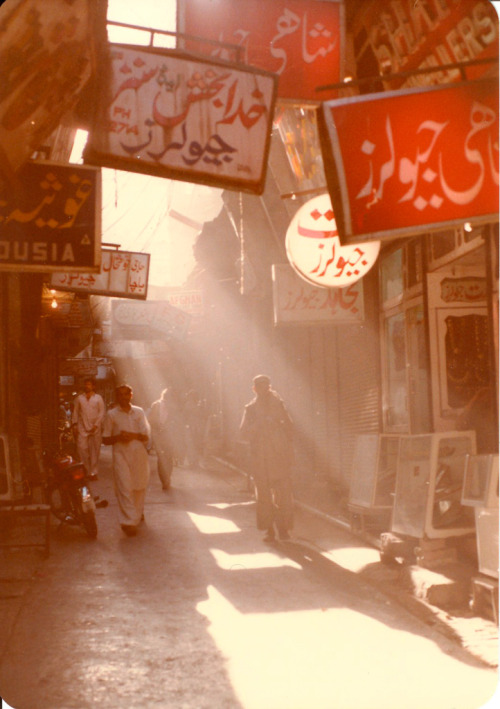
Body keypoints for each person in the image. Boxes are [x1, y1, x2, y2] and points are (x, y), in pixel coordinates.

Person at [240, 374, 294, 542]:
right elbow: (243, 432)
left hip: (279, 457)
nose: (263, 390)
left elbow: (290, 428)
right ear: (254, 389)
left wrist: (276, 424)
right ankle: (269, 530)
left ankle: (283, 529)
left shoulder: (279, 405)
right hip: (260, 459)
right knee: (264, 497)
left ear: (269, 386)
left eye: (266, 386)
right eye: (260, 386)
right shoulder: (250, 408)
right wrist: (258, 425)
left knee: (283, 496)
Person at [102, 384, 151, 536]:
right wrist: (118, 437)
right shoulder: (112, 414)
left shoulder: (139, 412)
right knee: (124, 486)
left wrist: (132, 436)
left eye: (126, 394)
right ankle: (129, 522)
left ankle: (136, 513)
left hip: (138, 454)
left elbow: (145, 436)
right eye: (120, 395)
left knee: (139, 485)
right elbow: (105, 439)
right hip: (120, 454)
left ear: (131, 396)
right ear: (117, 397)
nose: (123, 397)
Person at [148, 387, 182, 490]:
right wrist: (158, 426)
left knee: (169, 457)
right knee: (161, 458)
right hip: (158, 435)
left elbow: (177, 421)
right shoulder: (156, 405)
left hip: (170, 435)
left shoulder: (175, 406)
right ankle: (164, 480)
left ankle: (167, 478)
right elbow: (151, 420)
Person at [72, 377, 105, 480]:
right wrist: (74, 425)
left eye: (89, 384)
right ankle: (85, 470)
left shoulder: (98, 398)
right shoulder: (79, 398)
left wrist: (96, 425)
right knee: (82, 449)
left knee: (94, 451)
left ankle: (93, 472)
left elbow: (101, 413)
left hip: (95, 428)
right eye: (86, 384)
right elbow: (76, 412)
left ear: (93, 386)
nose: (87, 386)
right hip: (82, 427)